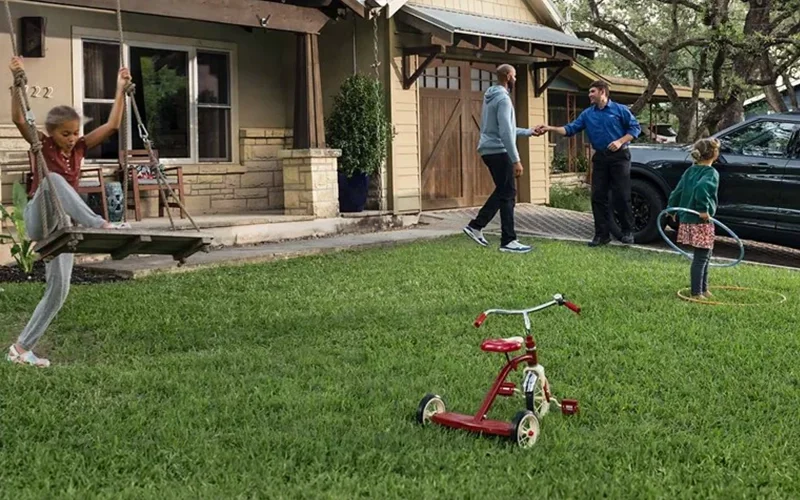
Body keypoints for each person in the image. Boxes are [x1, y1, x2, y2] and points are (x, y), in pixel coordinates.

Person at [6, 56, 131, 367]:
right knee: (55, 180)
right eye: (66, 134)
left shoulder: (80, 148)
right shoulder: (43, 145)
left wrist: (119, 89)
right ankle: (100, 223)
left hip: (63, 228)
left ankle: (21, 350)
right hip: (40, 217)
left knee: (59, 291)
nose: (73, 138)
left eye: (76, 132)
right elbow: (20, 121)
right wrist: (16, 83)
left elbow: (113, 125)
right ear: (52, 132)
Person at [536, 80, 641, 247]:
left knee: (621, 194)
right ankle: (601, 235)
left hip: (619, 157)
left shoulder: (620, 110)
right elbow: (570, 129)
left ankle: (628, 232)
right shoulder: (587, 114)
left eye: (592, 91)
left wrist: (620, 141)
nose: (589, 95)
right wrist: (550, 128)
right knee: (598, 197)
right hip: (600, 158)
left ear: (602, 92)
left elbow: (635, 129)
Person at [463, 64, 541, 254]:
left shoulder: (491, 97)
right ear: (508, 76)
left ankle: (476, 226)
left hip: (489, 150)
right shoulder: (504, 100)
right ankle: (508, 240)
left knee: (504, 192)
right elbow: (505, 132)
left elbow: (505, 128)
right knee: (508, 193)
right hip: (499, 151)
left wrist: (529, 132)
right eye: (515, 76)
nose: (516, 79)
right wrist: (516, 160)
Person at [666, 138, 721, 300]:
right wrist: (703, 210)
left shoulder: (690, 170)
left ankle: (704, 288)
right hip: (701, 220)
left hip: (688, 218)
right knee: (702, 256)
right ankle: (697, 292)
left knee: (705, 254)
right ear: (714, 154)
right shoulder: (711, 173)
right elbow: (701, 188)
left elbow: (677, 190)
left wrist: (672, 208)